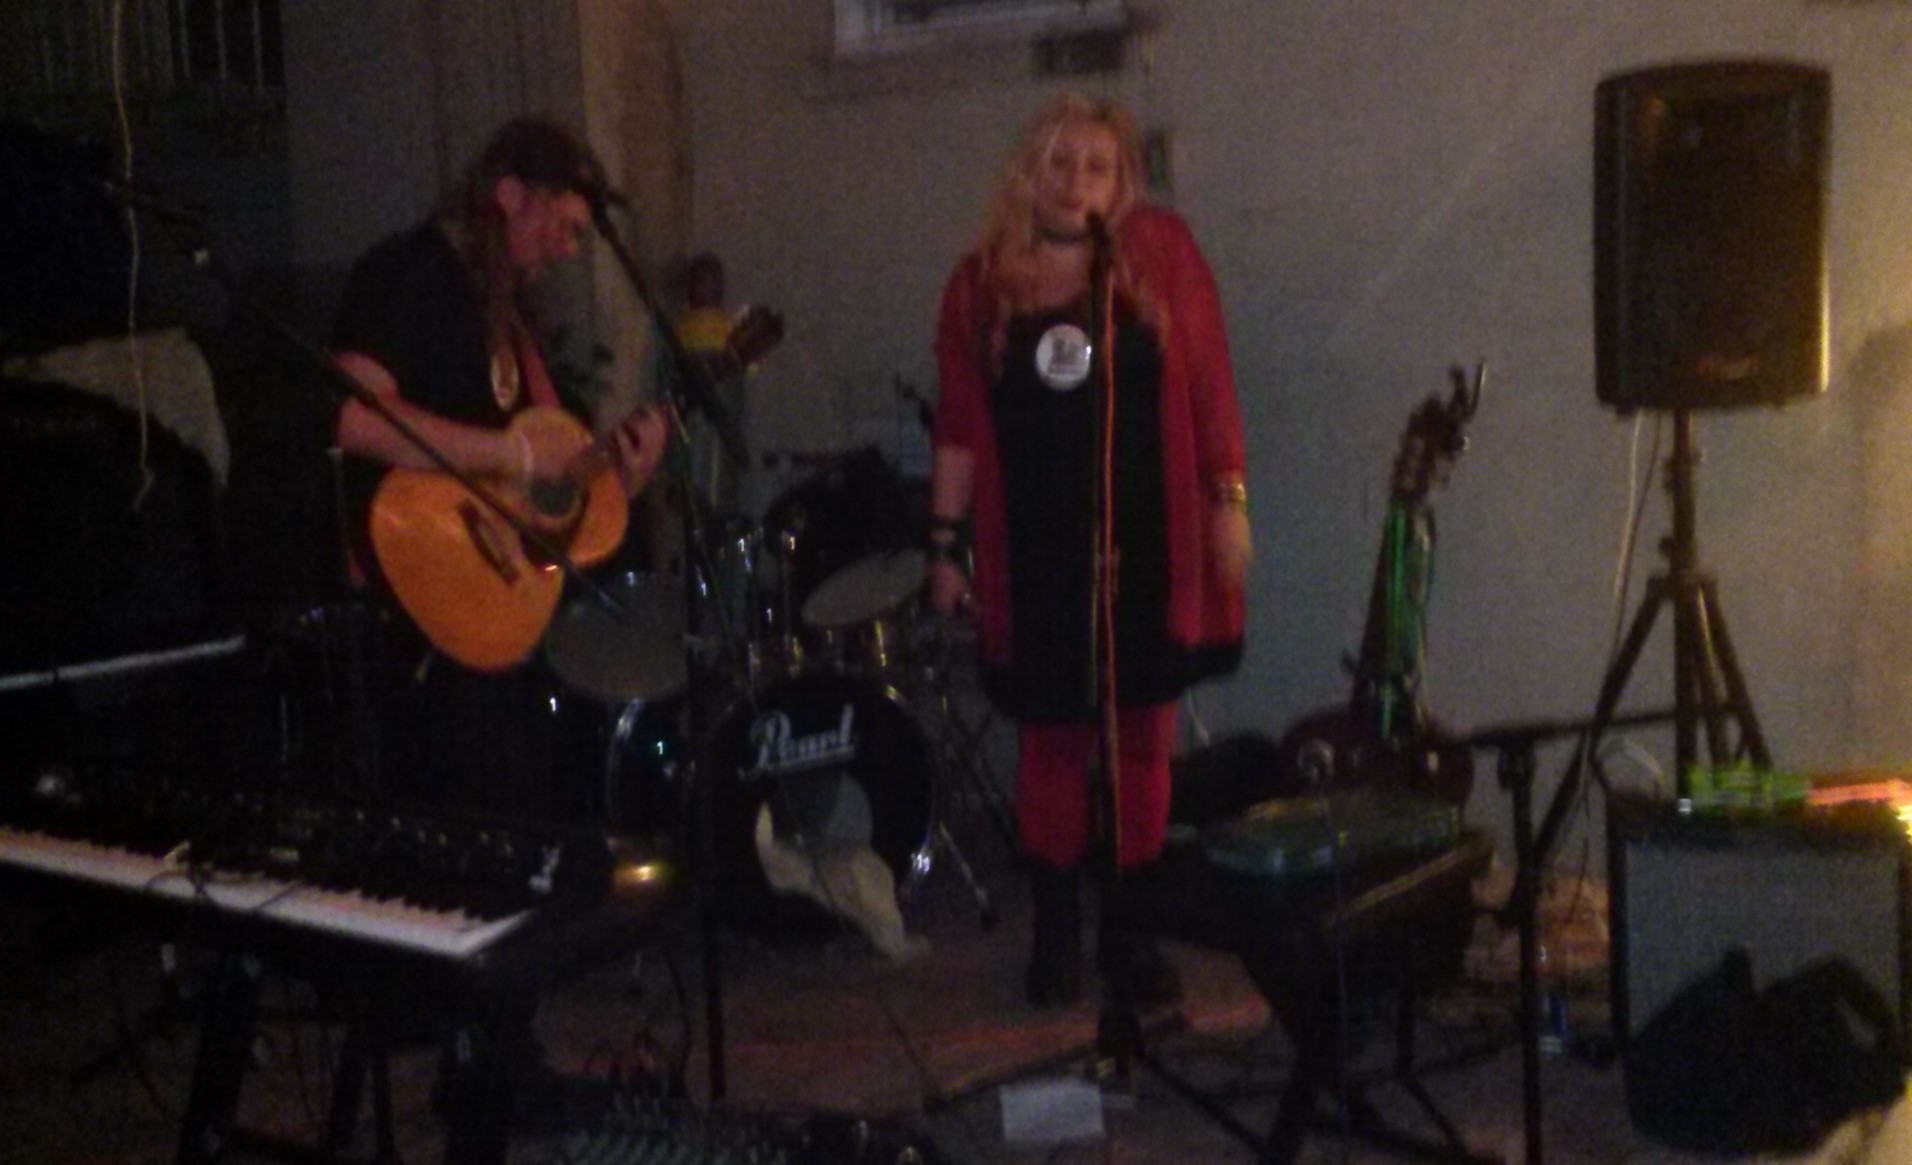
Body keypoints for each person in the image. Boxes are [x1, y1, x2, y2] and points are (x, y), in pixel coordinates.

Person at [927, 94, 1252, 1009]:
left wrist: (1228, 502)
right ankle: (1057, 931)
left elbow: (1211, 383)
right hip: (1037, 550)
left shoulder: (1161, 256)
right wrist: (944, 546)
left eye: (1097, 167)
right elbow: (959, 429)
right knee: (1054, 742)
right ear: (1029, 173)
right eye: (1060, 163)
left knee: (1143, 734)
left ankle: (1130, 931)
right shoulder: (980, 284)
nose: (1077, 183)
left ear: (1122, 183)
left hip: (1148, 539)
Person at [332, 116, 667, 818]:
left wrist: (623, 482)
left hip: (499, 610)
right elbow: (352, 417)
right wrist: (506, 454)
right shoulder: (409, 273)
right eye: (564, 227)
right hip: (419, 597)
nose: (569, 249)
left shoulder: (512, 321)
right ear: (511, 196)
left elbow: (550, 489)